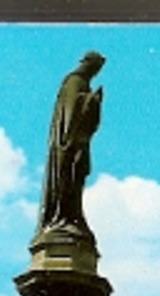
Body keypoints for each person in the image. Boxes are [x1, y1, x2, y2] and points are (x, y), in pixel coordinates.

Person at [38, 52, 105, 233]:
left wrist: (94, 102)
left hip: (77, 142)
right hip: (67, 144)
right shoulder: (75, 82)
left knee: (77, 177)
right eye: (96, 67)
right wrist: (92, 101)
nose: (96, 72)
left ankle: (72, 217)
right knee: (67, 178)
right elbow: (72, 113)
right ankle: (63, 217)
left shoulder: (81, 83)